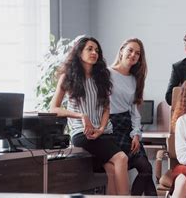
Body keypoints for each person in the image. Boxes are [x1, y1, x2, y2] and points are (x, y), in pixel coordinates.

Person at [50, 36, 129, 195]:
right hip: (82, 133)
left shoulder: (102, 77)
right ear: (79, 52)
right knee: (121, 159)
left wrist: (101, 128)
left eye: (97, 50)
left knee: (112, 170)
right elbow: (53, 108)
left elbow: (106, 107)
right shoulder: (68, 77)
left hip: (103, 132)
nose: (94, 53)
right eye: (90, 49)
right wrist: (81, 116)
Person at [108, 38, 157, 196]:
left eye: (138, 53)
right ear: (122, 50)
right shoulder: (107, 73)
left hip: (127, 126)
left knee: (146, 169)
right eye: (130, 50)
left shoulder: (136, 79)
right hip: (110, 125)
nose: (133, 55)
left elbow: (135, 111)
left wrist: (136, 134)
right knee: (145, 169)